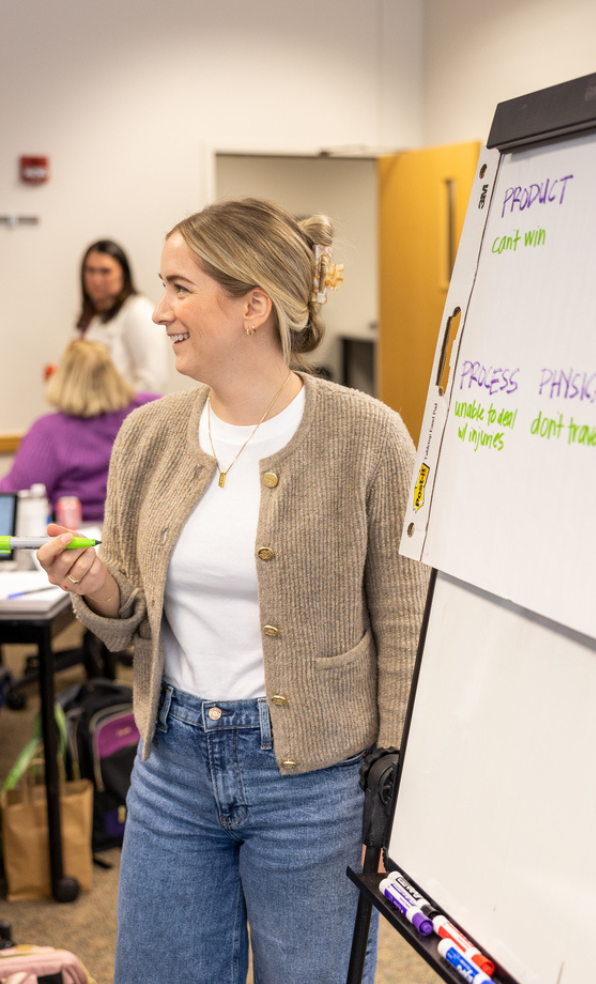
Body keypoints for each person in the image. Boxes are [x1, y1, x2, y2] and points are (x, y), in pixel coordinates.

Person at [38, 198, 430, 984]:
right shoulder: (147, 435)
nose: (159, 312)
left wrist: (396, 778)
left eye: (180, 288)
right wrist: (99, 588)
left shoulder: (369, 434)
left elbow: (405, 618)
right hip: (172, 763)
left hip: (318, 781)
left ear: (254, 305)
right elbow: (128, 617)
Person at [1, 340, 159, 522]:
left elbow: (17, 492)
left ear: (63, 378)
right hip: (141, 527)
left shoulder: (49, 430)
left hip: (74, 534)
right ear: (112, 374)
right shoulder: (149, 408)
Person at [76, 239, 167, 392]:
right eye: (90, 270)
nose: (96, 279)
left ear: (123, 274)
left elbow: (154, 379)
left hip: (124, 413)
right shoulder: (93, 315)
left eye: (105, 271)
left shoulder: (138, 311)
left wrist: (119, 412)